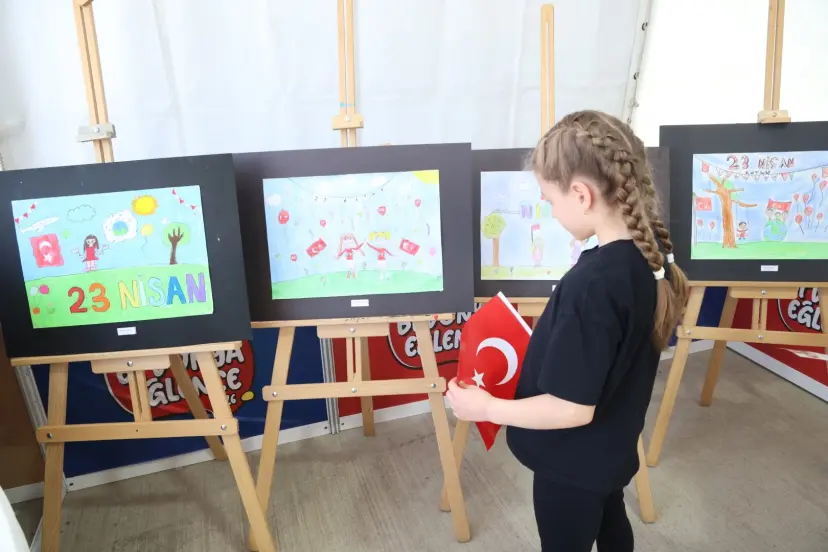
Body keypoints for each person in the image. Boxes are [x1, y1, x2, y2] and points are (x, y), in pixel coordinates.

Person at [447, 110, 689, 551]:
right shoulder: (650, 259)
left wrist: (486, 407)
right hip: (610, 453)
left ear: (580, 194)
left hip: (570, 466)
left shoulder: (593, 285)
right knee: (611, 519)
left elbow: (571, 409)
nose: (550, 211)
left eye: (550, 200)